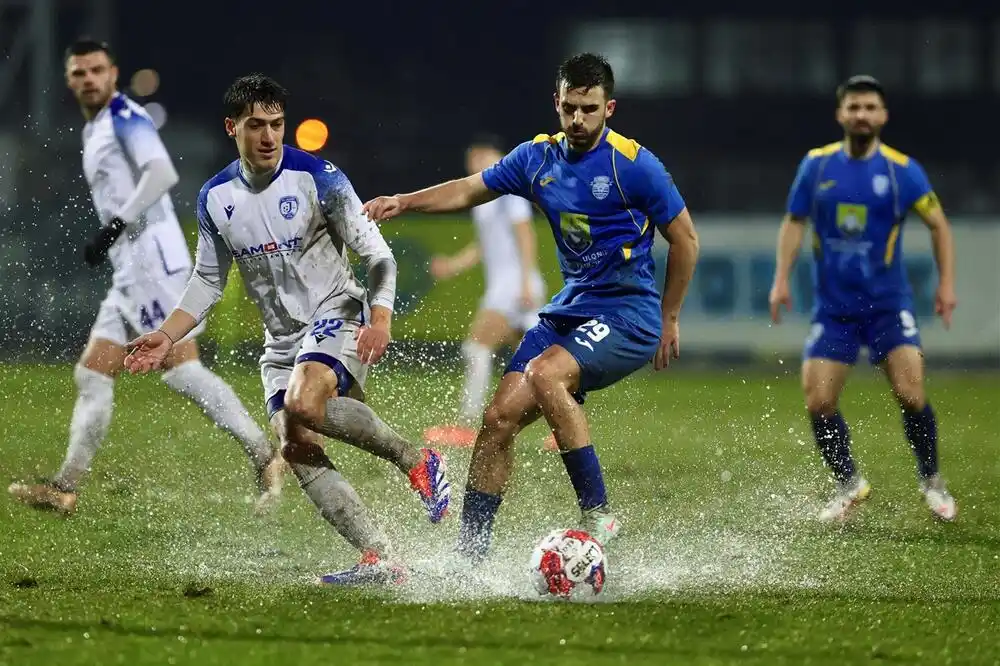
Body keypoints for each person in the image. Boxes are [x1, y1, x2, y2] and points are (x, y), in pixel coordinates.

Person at [363, 53, 700, 562]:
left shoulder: (635, 165)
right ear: (556, 103)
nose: (578, 120)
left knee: (545, 374)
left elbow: (686, 240)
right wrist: (404, 200)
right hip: (571, 309)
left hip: (628, 313)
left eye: (589, 109)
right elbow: (470, 189)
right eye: (569, 108)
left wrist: (671, 315)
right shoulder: (537, 158)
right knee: (497, 419)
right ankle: (470, 558)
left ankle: (597, 514)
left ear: (609, 107)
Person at [123, 73, 450, 585]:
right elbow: (207, 281)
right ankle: (380, 558)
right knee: (293, 441)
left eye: (277, 124)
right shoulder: (215, 198)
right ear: (233, 127)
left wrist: (381, 317)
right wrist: (168, 335)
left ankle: (417, 460)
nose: (270, 136)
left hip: (337, 311)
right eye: (257, 125)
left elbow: (378, 256)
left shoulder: (320, 177)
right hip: (282, 341)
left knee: (303, 405)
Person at [8, 39, 282, 516]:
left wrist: (114, 225)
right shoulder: (95, 127)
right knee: (92, 374)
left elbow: (160, 174)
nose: (88, 79)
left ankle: (265, 456)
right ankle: (66, 488)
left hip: (151, 262)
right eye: (79, 73)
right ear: (70, 80)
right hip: (129, 268)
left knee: (182, 371)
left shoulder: (124, 117)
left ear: (113, 73)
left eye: (96, 70)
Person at [769, 75, 958, 523]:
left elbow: (939, 224)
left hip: (889, 305)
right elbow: (794, 221)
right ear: (840, 114)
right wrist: (780, 279)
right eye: (854, 107)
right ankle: (849, 484)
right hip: (835, 309)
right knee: (818, 402)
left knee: (911, 393)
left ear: (883, 115)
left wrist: (946, 284)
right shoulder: (815, 167)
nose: (862, 115)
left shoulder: (902, 170)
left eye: (870, 107)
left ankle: (932, 481)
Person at [423, 135, 545, 449]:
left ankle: (467, 421)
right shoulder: (485, 202)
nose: (475, 166)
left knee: (476, 346)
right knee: (538, 362)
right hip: (512, 287)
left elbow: (526, 233)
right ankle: (561, 423)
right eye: (472, 161)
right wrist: (453, 265)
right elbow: (483, 246)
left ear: (498, 156)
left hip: (514, 286)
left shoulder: (509, 192)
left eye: (481, 158)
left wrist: (527, 281)